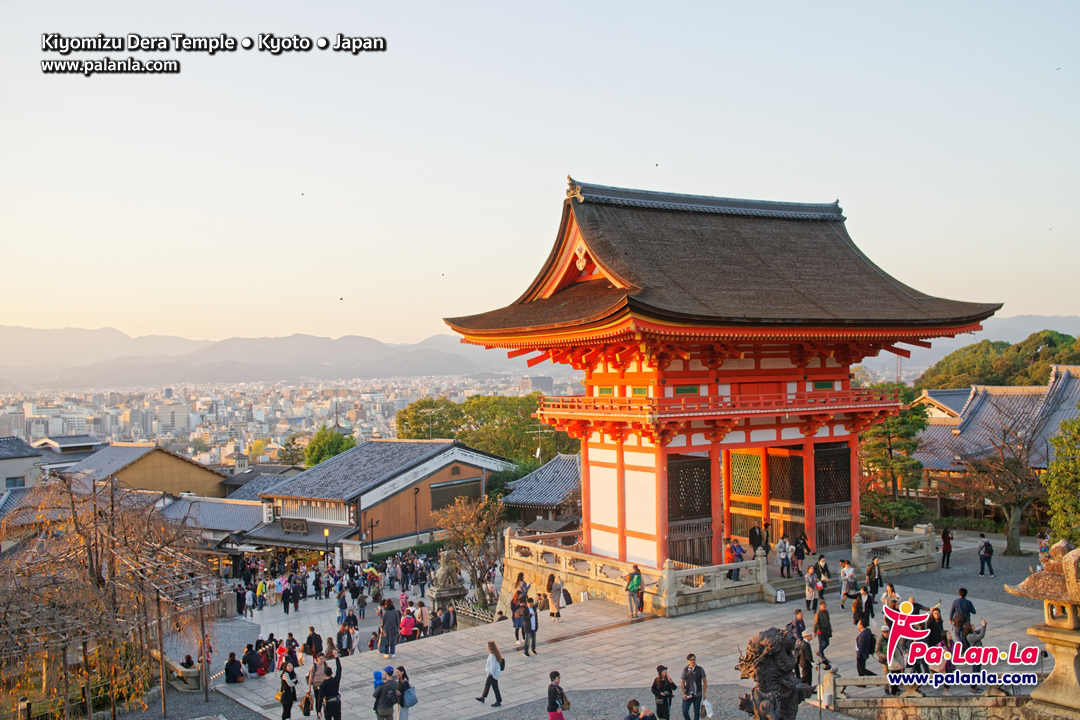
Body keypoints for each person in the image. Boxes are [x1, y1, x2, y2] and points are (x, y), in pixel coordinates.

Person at [476, 641, 504, 707]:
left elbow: (492, 666)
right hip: (492, 674)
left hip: (492, 674)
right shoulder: (495, 654)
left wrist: (491, 674)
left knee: (495, 687)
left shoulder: (492, 656)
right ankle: (483, 697)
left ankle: (498, 700)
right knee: (487, 685)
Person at [680, 653, 706, 720]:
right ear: (688, 661)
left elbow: (704, 681)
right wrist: (683, 692)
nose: (693, 661)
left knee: (696, 711)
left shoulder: (700, 669)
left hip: (697, 693)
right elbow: (682, 681)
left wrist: (704, 693)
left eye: (694, 660)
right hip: (688, 693)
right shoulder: (685, 670)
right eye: (691, 660)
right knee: (684, 710)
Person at [965, 619, 988, 693]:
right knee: (975, 670)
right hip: (975, 655)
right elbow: (981, 635)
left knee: (978, 670)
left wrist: (984, 625)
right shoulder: (970, 636)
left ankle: (975, 685)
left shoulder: (973, 633)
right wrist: (983, 626)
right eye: (972, 625)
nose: (973, 626)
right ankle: (972, 686)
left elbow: (980, 630)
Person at [320, 655, 343, 720]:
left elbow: (320, 698)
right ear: (332, 673)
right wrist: (336, 658)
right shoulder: (336, 681)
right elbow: (339, 669)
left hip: (328, 704)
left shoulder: (323, 685)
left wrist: (319, 710)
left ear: (324, 675)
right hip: (336, 702)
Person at [814, 600, 833, 670]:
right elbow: (816, 623)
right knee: (821, 644)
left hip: (826, 630)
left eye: (825, 605)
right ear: (820, 606)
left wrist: (830, 627)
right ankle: (823, 657)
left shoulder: (826, 612)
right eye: (823, 606)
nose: (825, 607)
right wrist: (815, 631)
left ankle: (820, 652)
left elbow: (828, 620)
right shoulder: (818, 613)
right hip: (820, 631)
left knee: (827, 643)